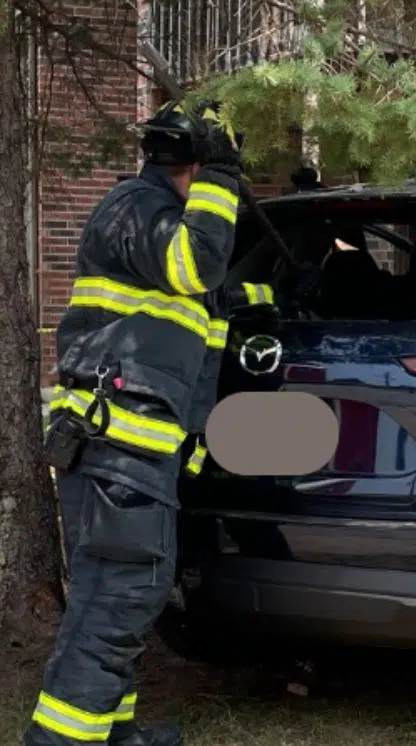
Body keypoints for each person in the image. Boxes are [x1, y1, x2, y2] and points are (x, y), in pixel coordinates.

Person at [29, 99, 275, 746]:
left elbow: (205, 300)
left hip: (131, 454)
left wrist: (273, 293)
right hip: (118, 450)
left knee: (123, 600)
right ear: (195, 160)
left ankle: (114, 733)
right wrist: (223, 176)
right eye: (213, 167)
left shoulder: (157, 222)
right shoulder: (133, 210)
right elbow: (194, 266)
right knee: (115, 602)